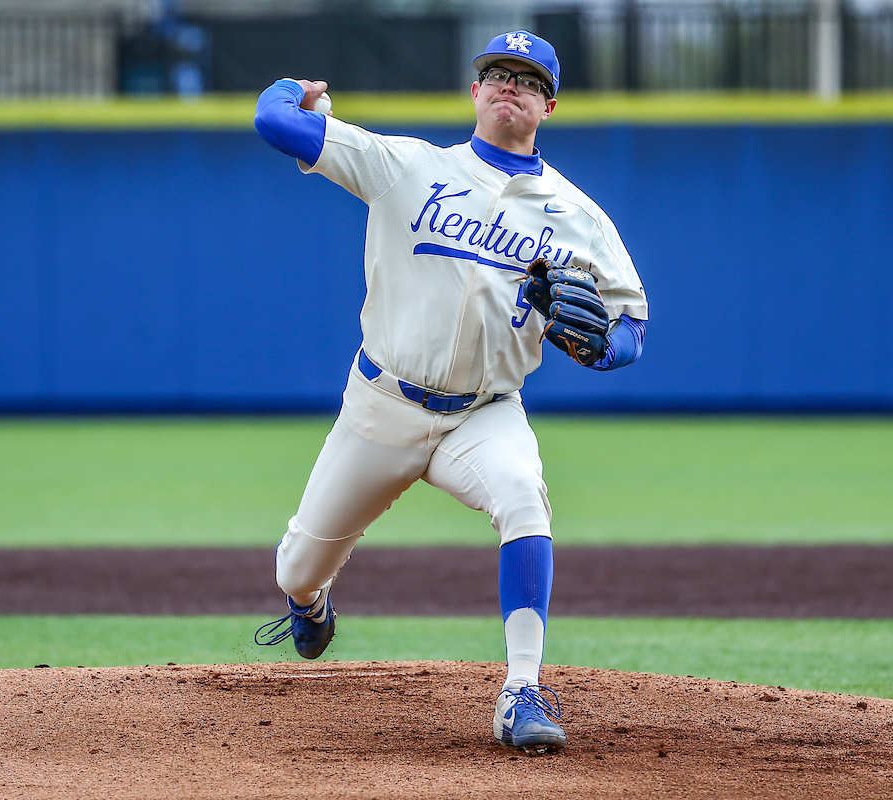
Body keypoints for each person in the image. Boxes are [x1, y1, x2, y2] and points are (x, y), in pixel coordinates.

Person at [251, 30, 648, 753]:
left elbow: (630, 327)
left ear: (549, 106)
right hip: (381, 408)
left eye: (527, 80)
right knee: (296, 569)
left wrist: (601, 347)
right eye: (496, 74)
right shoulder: (407, 167)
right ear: (474, 92)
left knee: (524, 496)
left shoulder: (580, 217)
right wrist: (291, 92)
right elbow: (273, 123)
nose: (509, 86)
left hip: (484, 414)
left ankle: (521, 691)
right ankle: (310, 605)